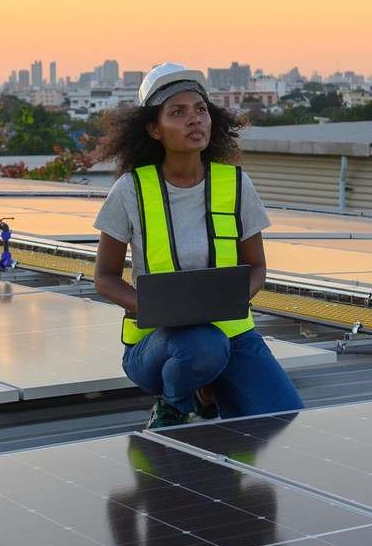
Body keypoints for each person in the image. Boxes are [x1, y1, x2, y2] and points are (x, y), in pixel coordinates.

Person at [92, 62, 304, 429]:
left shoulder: (235, 184)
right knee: (203, 346)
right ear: (153, 130)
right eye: (178, 113)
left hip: (231, 336)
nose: (195, 120)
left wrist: (235, 298)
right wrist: (152, 307)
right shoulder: (131, 190)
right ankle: (174, 404)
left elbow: (257, 266)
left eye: (201, 110)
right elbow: (104, 277)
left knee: (284, 418)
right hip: (158, 346)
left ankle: (207, 392)